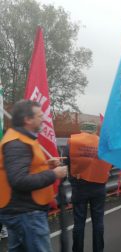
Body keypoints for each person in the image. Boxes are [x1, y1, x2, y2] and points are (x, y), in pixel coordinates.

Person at [0, 100, 67, 251]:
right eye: (39, 115)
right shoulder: (17, 143)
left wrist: (46, 166)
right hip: (26, 214)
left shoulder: (23, 139)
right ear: (28, 119)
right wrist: (53, 174)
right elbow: (18, 180)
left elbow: (27, 168)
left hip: (23, 212)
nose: (43, 118)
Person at [64, 122, 112, 252]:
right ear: (95, 130)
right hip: (99, 186)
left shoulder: (72, 142)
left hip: (79, 187)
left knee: (79, 222)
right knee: (98, 222)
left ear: (82, 129)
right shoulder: (103, 144)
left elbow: (66, 161)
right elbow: (110, 164)